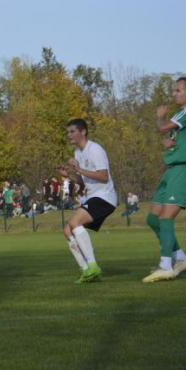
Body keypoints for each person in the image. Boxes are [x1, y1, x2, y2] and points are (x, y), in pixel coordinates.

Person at [142, 77, 186, 283]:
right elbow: (176, 139)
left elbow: (163, 127)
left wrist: (161, 117)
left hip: (184, 170)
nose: (174, 93)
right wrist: (170, 144)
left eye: (177, 90)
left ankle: (166, 266)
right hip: (172, 169)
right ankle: (181, 258)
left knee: (165, 218)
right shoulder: (181, 114)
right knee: (153, 219)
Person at [57, 119, 118, 283]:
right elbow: (85, 182)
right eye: (68, 132)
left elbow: (104, 177)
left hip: (105, 196)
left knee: (74, 221)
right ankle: (86, 271)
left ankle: (93, 266)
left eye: (72, 131)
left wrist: (79, 169)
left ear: (83, 132)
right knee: (67, 230)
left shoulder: (95, 149)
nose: (69, 135)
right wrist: (69, 176)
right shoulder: (78, 153)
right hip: (95, 196)